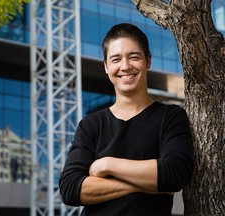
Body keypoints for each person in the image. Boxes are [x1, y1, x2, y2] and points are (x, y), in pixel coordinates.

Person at [59, 23, 194, 215]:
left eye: (134, 57)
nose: (125, 66)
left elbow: (175, 173)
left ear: (148, 61)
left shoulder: (170, 117)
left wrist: (108, 164)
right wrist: (151, 184)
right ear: (106, 67)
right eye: (116, 59)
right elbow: (71, 189)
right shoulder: (91, 124)